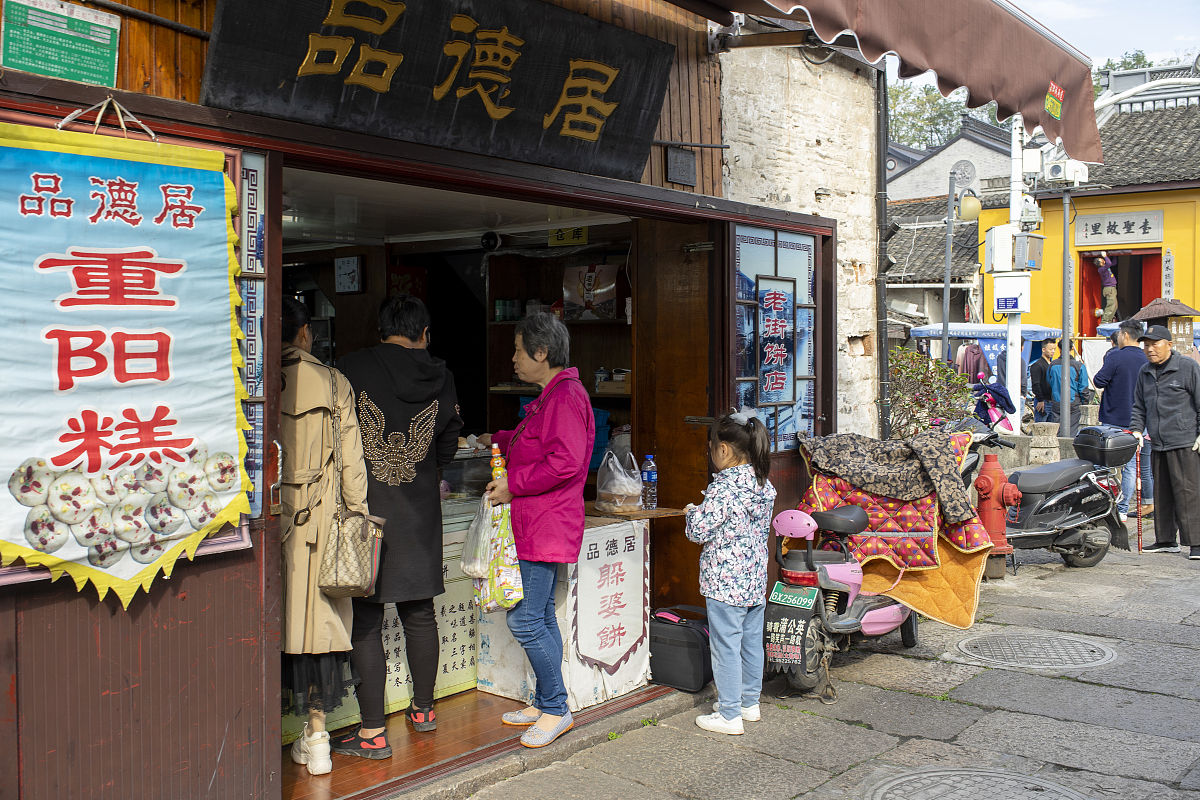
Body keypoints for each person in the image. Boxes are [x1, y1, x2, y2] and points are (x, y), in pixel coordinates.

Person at [333, 295, 463, 757]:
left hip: (367, 511)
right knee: (419, 611)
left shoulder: (350, 367)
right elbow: (448, 441)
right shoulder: (441, 375)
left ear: (381, 329)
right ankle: (424, 712)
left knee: (366, 619)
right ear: (424, 333)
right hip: (420, 511)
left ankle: (372, 732)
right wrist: (426, 472)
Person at [481, 312, 595, 748]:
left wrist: (514, 485)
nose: (512, 358)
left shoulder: (565, 395)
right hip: (539, 521)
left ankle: (556, 708)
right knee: (541, 614)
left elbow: (564, 462)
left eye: (517, 349)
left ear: (541, 352)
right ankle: (546, 698)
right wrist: (497, 438)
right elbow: (535, 442)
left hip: (545, 522)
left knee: (526, 619)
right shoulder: (554, 394)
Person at [279, 297, 371, 776]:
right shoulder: (334, 382)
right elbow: (353, 466)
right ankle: (318, 740)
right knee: (320, 633)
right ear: (304, 333)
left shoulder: (252, 383)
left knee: (276, 628)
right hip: (322, 525)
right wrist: (358, 516)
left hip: (272, 525)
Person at [684, 410, 775, 736]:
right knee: (751, 644)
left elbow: (699, 531)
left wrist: (692, 512)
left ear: (723, 449)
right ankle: (750, 704)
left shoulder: (723, 490)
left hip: (724, 583)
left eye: (712, 448)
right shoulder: (763, 485)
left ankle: (729, 714)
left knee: (725, 647)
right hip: (753, 580)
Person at [1129, 324, 1200, 559]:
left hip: (1185, 440)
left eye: (1155, 344)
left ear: (1169, 345)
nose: (1150, 349)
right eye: (1146, 345)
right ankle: (1166, 539)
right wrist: (1136, 430)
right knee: (1162, 493)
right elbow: (1139, 405)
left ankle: (1196, 542)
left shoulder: (1187, 367)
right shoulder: (1145, 372)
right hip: (1157, 440)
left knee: (1187, 492)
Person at [1092, 319, 1153, 521]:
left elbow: (1099, 380)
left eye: (1119, 334)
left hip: (1113, 418)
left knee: (1104, 465)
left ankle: (1103, 504)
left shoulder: (1116, 357)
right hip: (1139, 422)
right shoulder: (1146, 359)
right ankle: (1123, 508)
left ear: (1125, 335)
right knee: (1131, 468)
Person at [1048, 339, 1088, 436]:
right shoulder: (1079, 366)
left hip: (1057, 402)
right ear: (1071, 349)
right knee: (1072, 431)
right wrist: (1085, 402)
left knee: (1056, 431)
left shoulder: (1052, 365)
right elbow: (1083, 389)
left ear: (1059, 349)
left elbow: (1049, 382)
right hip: (1074, 403)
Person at [1029, 340, 1058, 423]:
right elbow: (1035, 384)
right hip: (1043, 401)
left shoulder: (1052, 364)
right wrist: (1040, 400)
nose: (1053, 351)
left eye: (1054, 349)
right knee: (1040, 427)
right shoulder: (1037, 365)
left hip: (1053, 401)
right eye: (1050, 349)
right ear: (1043, 349)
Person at [1093, 253, 1118, 323]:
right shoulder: (1101, 269)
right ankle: (1104, 322)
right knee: (1111, 306)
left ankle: (1109, 321)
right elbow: (1109, 263)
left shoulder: (1105, 267)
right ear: (1100, 264)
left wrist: (1115, 254)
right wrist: (1105, 256)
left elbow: (1113, 263)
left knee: (1114, 306)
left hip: (1111, 288)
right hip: (1109, 288)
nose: (1103, 260)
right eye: (1102, 260)